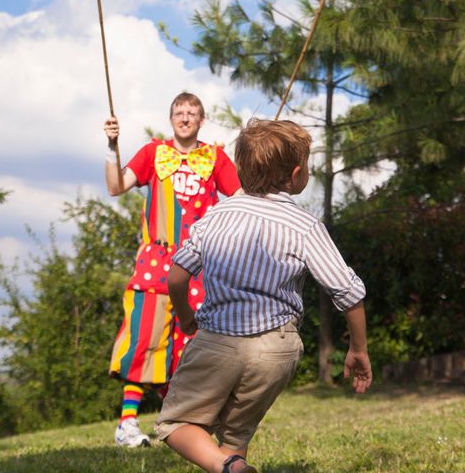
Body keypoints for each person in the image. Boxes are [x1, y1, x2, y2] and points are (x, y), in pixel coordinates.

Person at [155, 118, 372, 473]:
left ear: (241, 171)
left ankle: (230, 468)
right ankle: (232, 463)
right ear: (297, 173)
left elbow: (177, 278)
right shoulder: (306, 226)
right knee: (235, 436)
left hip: (217, 340)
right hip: (277, 349)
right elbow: (347, 292)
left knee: (175, 424)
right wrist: (358, 349)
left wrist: (185, 317)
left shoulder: (217, 216)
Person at [103, 92, 241, 448]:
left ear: (201, 119)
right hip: (156, 265)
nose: (185, 118)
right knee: (145, 340)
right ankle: (128, 424)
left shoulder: (214, 157)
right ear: (171, 119)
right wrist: (112, 145)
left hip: (199, 266)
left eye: (191, 113)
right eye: (179, 112)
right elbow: (115, 186)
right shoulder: (153, 153)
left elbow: (242, 199)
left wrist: (256, 160)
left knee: (190, 348)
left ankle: (178, 424)